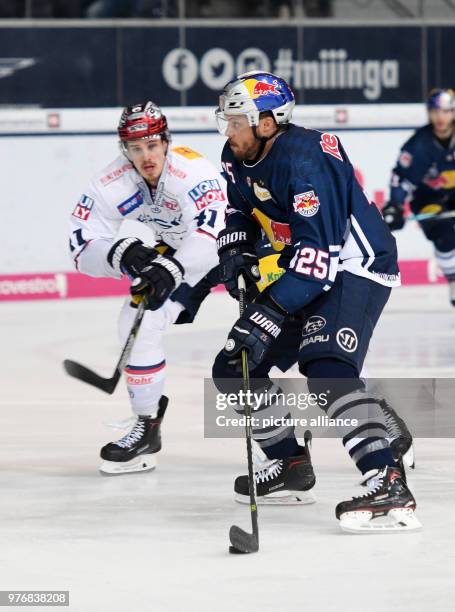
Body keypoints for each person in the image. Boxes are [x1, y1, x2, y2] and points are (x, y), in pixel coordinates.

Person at [211, 71, 420, 533]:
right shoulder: (239, 154)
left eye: (236, 121)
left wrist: (265, 313)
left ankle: (386, 480)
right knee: (234, 366)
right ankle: (289, 463)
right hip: (303, 265)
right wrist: (235, 249)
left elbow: (318, 262)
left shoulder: (307, 162)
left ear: (267, 123)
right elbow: (240, 209)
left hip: (353, 265)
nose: (228, 130)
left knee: (326, 370)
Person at [69, 101, 226, 474]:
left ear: (167, 142)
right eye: (136, 148)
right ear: (125, 149)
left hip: (239, 244)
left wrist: (171, 266)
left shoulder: (192, 171)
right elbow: (81, 242)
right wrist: (122, 252)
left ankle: (362, 412)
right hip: (179, 250)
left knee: (288, 331)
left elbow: (213, 233)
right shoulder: (114, 180)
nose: (146, 156)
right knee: (138, 316)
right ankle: (147, 424)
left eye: (153, 145)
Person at [383, 88, 455, 304]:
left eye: (445, 111)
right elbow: (402, 178)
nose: (440, 117)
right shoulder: (418, 145)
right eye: (435, 111)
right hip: (428, 199)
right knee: (443, 236)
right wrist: (395, 205)